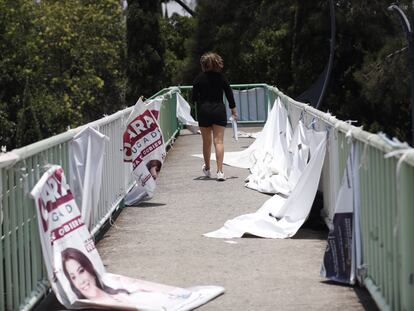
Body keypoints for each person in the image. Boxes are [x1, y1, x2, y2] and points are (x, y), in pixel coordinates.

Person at [61, 248, 190, 308]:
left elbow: (143, 286)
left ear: (89, 268)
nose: (81, 281)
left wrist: (176, 292)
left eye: (81, 271)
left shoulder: (116, 286)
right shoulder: (83, 304)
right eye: (73, 277)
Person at [192, 52, 238, 181]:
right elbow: (229, 95)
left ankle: (207, 168)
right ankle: (220, 172)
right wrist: (234, 111)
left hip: (204, 111)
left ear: (203, 65)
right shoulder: (221, 78)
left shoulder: (198, 79)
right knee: (219, 141)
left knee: (206, 142)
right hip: (219, 110)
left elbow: (194, 98)